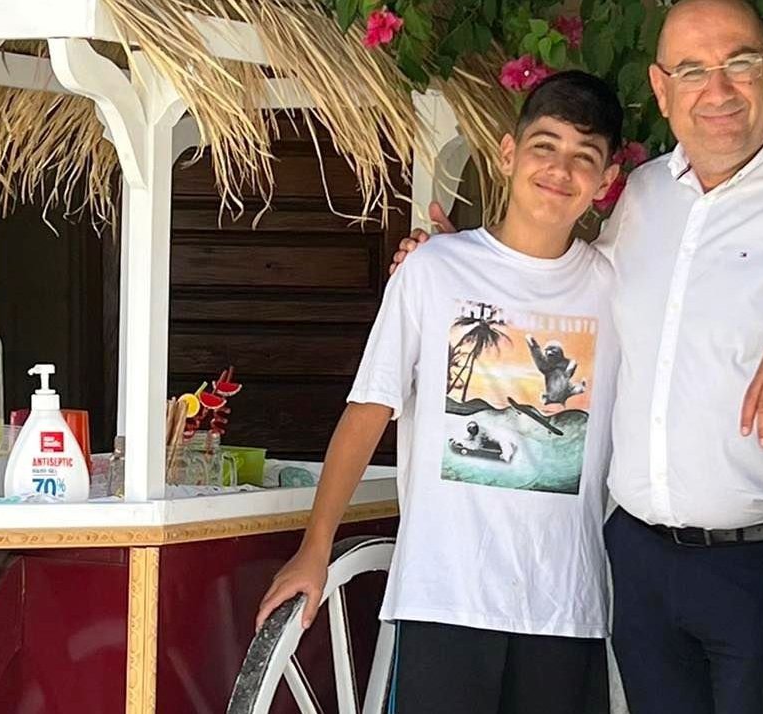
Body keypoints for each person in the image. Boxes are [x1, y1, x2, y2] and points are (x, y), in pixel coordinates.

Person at [392, 0, 763, 711]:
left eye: (739, 63)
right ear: (662, 87)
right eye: (693, 70)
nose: (718, 89)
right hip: (639, 563)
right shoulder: (644, 196)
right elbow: (563, 283)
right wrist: (459, 268)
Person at [256, 70, 625, 714]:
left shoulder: (617, 287)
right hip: (443, 596)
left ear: (606, 181)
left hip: (564, 606)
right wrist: (314, 549)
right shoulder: (432, 269)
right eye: (544, 146)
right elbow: (369, 410)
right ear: (508, 153)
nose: (560, 170)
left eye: (583, 157)